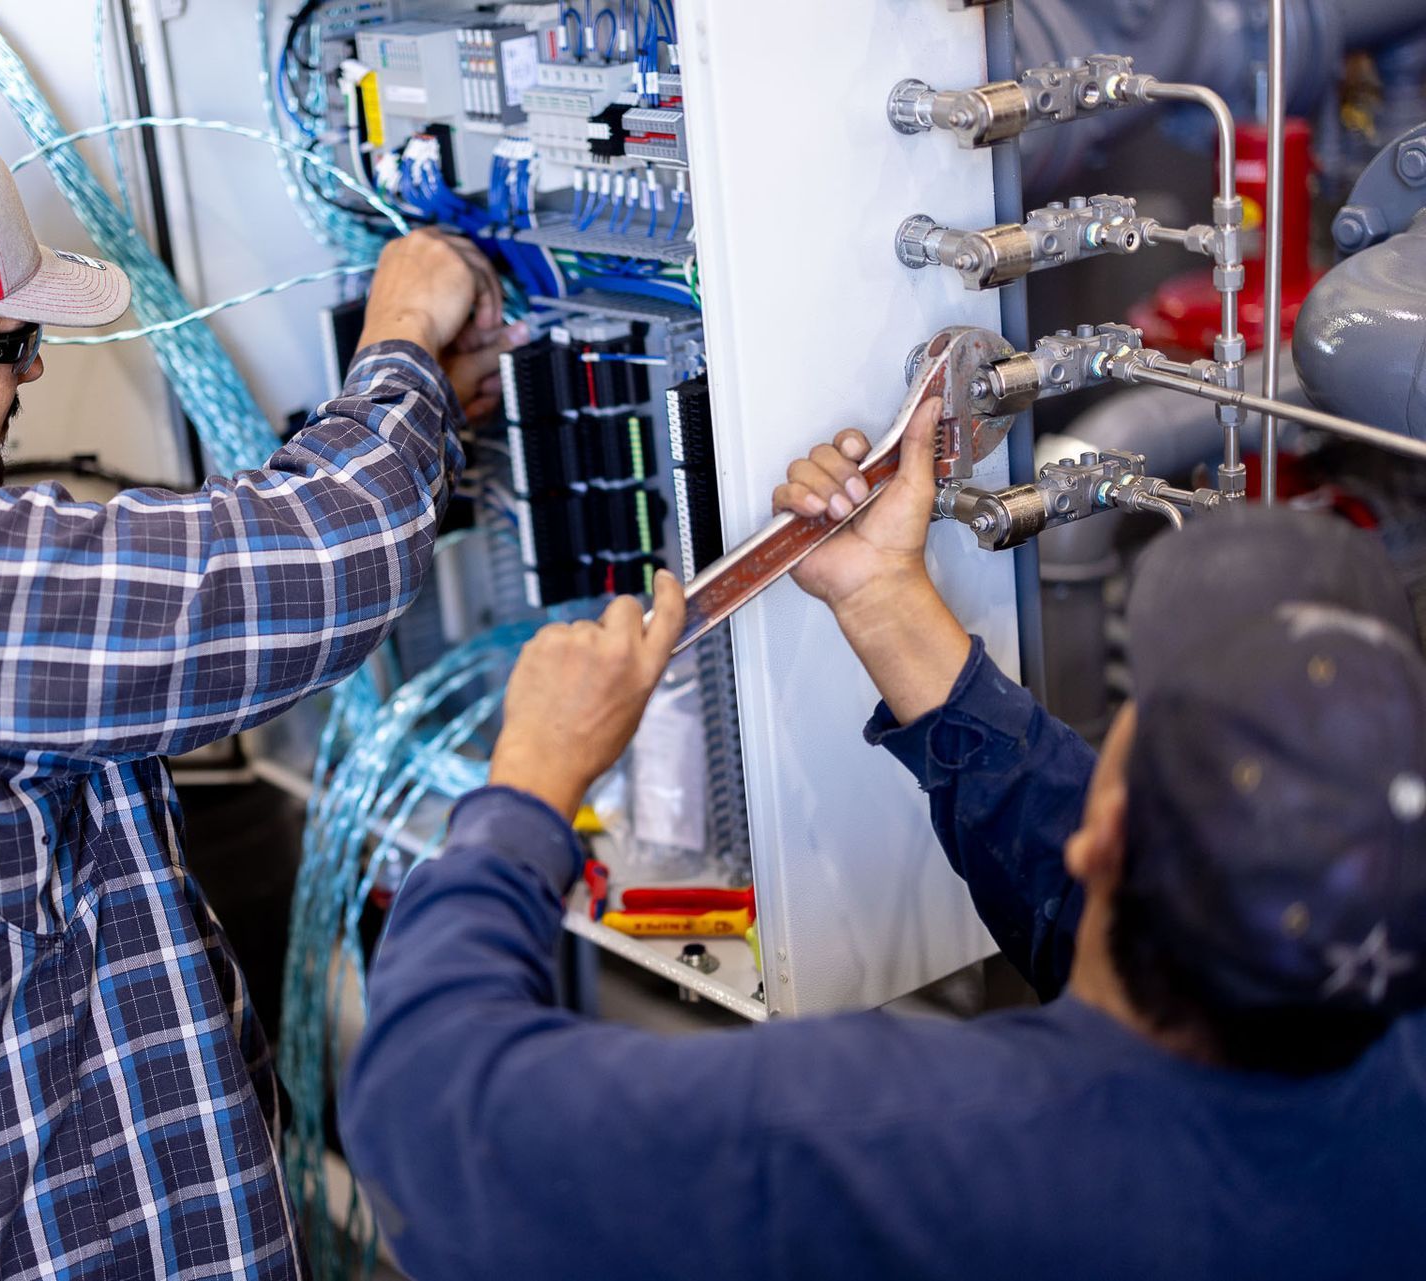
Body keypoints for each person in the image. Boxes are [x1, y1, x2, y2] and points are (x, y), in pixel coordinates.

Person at [0, 117, 513, 1278]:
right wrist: (404, 334)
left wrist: (403, 434)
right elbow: (317, 562)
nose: (33, 373)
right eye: (12, 344)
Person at [341, 398, 1426, 1279]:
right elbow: (1094, 871)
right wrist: (880, 596)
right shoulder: (1385, 1073)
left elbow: (430, 1119)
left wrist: (530, 784)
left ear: (1107, 843)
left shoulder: (901, 1143)